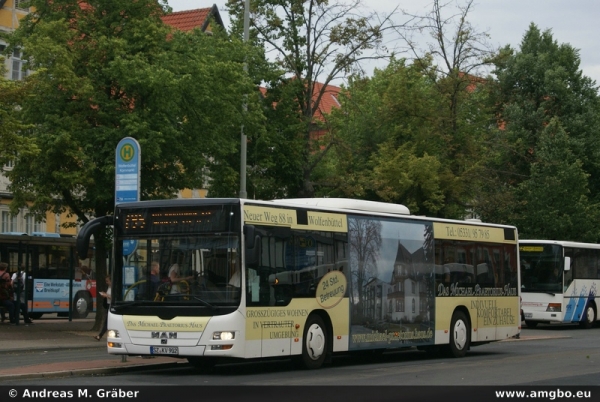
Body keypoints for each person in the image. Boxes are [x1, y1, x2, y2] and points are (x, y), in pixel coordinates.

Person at [95, 275, 111, 341]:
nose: (106, 282)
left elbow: (113, 298)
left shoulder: (113, 288)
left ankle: (100, 335)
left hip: (110, 305)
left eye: (107, 281)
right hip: (108, 305)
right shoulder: (109, 287)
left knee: (107, 322)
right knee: (107, 322)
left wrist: (106, 295)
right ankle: (100, 335)